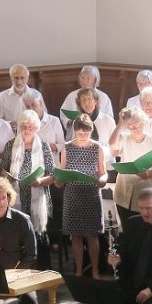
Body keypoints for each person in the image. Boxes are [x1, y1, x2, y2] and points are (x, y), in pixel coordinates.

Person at [57, 114, 108, 278]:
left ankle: (95, 269)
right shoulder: (67, 147)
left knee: (92, 235)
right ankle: (78, 269)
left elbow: (103, 173)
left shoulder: (97, 147)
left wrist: (102, 181)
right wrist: (59, 180)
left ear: (91, 131)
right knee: (76, 235)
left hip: (91, 195)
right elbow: (61, 172)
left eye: (86, 134)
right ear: (74, 131)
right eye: (79, 134)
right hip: (72, 195)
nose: (83, 137)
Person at [2, 110, 56, 239]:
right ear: (19, 127)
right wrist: (7, 177)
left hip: (38, 195)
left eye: (30, 127)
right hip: (16, 195)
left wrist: (41, 181)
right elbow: (3, 169)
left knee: (37, 236)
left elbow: (53, 175)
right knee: (18, 234)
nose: (27, 130)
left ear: (36, 128)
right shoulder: (10, 145)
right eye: (24, 127)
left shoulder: (43, 146)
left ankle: (39, 256)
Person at [110, 108, 152, 225]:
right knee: (125, 229)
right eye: (130, 126)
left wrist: (149, 174)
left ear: (144, 123)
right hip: (123, 193)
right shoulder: (124, 137)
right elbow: (112, 146)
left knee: (143, 231)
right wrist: (120, 124)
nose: (135, 129)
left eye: (138, 125)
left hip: (144, 196)